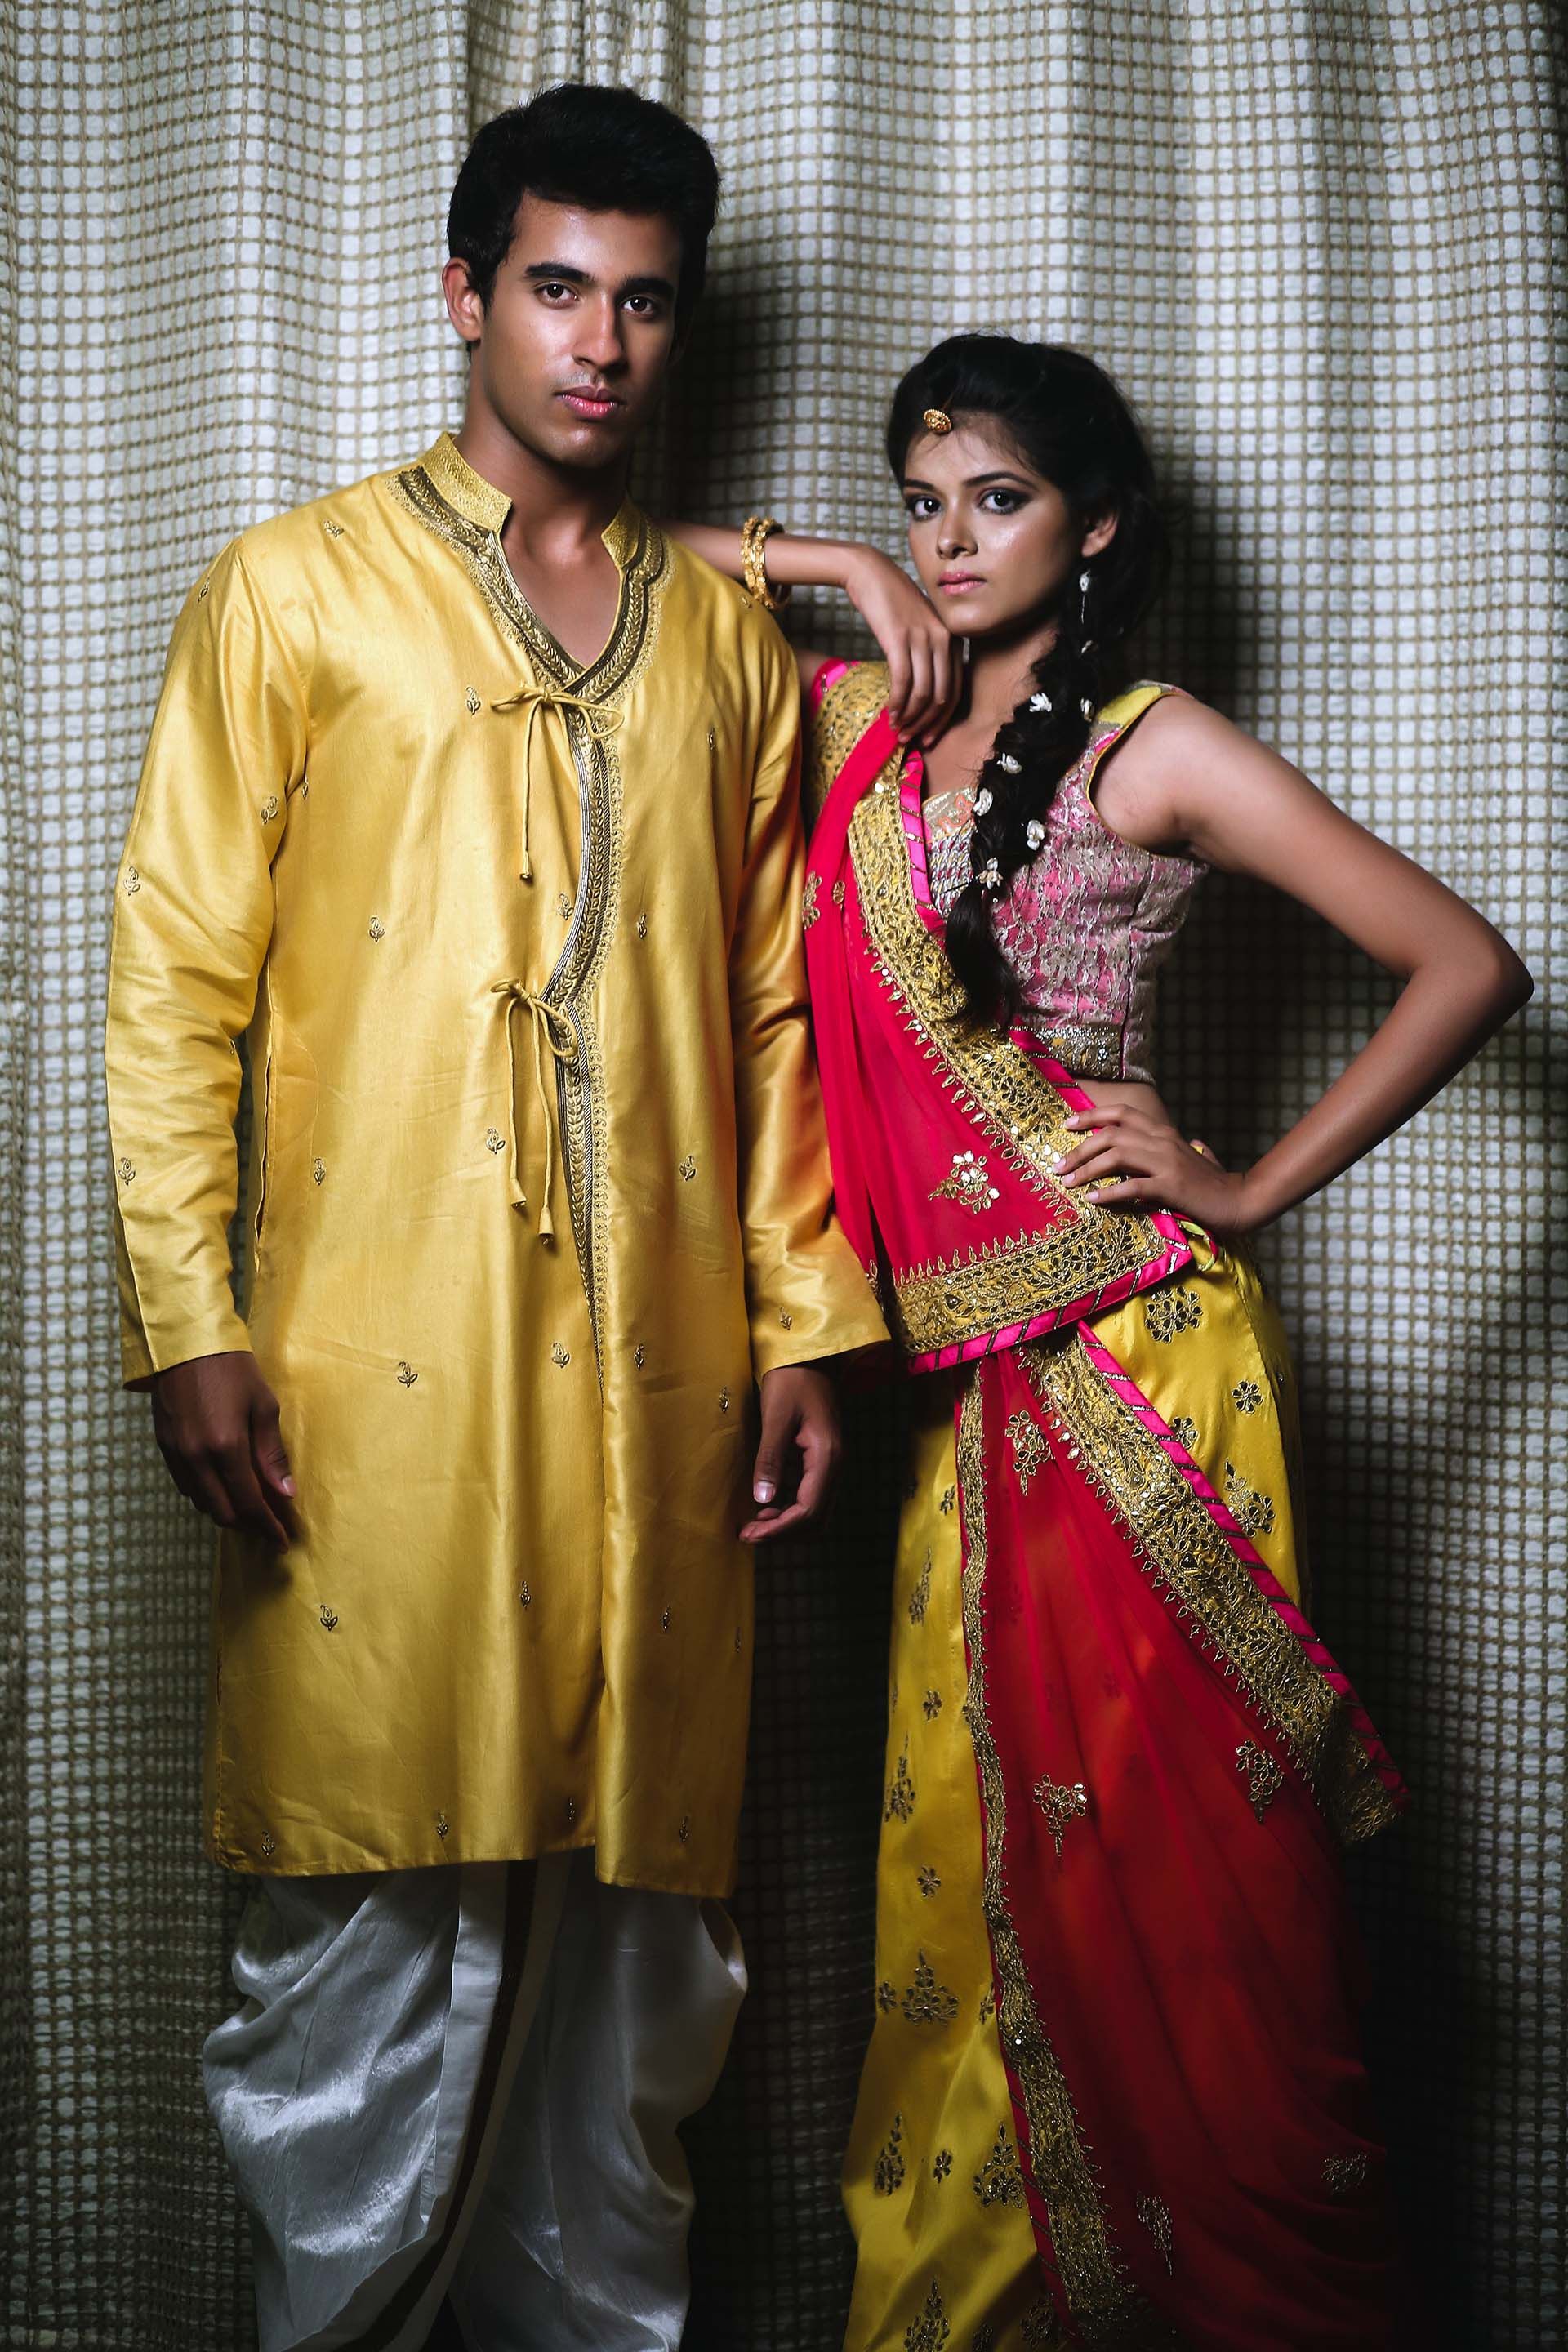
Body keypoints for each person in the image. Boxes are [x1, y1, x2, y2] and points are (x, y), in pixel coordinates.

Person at [103, 83, 886, 2352]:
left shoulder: (723, 648)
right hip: (369, 1380)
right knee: (364, 1942)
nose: (601, 343)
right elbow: (174, 978)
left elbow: (766, 1011)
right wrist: (187, 1316)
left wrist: (810, 1323)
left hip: (668, 1380)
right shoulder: (294, 589)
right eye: (556, 287)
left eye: (645, 302)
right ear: (465, 295)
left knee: (636, 1981)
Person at [669, 335, 1530, 2350]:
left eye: (999, 499)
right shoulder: (848, 715)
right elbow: (586, 557)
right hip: (954, 1396)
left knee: (1182, 1899)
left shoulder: (1154, 747)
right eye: (921, 503)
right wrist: (828, 567)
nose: (949, 543)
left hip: (1140, 1369)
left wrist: (1245, 1184)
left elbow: (1461, 962)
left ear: (1100, 526)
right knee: (973, 1889)